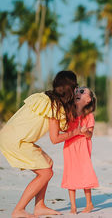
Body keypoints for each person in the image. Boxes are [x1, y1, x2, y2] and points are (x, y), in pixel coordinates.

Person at [0, 70, 82, 218]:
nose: (77, 89)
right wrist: (76, 132)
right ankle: (19, 209)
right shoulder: (54, 105)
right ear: (70, 89)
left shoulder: (46, 97)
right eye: (76, 87)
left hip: (11, 135)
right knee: (46, 172)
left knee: (48, 163)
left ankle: (40, 206)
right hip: (16, 140)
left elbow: (61, 125)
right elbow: (55, 138)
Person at [61, 87, 98, 214]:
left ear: (88, 100)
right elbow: (63, 129)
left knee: (84, 173)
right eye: (77, 90)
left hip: (82, 146)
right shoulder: (68, 112)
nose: (78, 92)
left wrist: (85, 131)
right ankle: (73, 206)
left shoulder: (89, 116)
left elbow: (90, 135)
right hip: (69, 145)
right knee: (70, 173)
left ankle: (89, 204)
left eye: (82, 92)